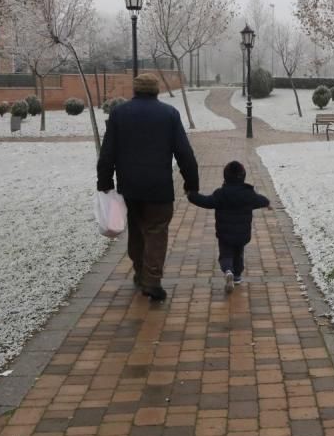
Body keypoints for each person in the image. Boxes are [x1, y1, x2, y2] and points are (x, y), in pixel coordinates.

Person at [97, 73, 199, 301]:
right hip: (159, 188)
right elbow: (184, 152)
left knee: (136, 231)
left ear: (135, 90)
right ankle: (151, 280)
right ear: (156, 90)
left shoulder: (119, 114)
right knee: (156, 232)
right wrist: (191, 183)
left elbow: (108, 153)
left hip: (129, 188)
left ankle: (141, 272)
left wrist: (104, 182)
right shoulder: (169, 114)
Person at [188, 160, 270, 293]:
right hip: (242, 234)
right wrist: (267, 203)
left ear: (225, 176)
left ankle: (227, 271)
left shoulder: (221, 194)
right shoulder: (248, 194)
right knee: (238, 254)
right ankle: (237, 276)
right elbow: (260, 200)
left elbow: (206, 201)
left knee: (225, 255)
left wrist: (192, 196)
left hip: (225, 234)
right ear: (243, 176)